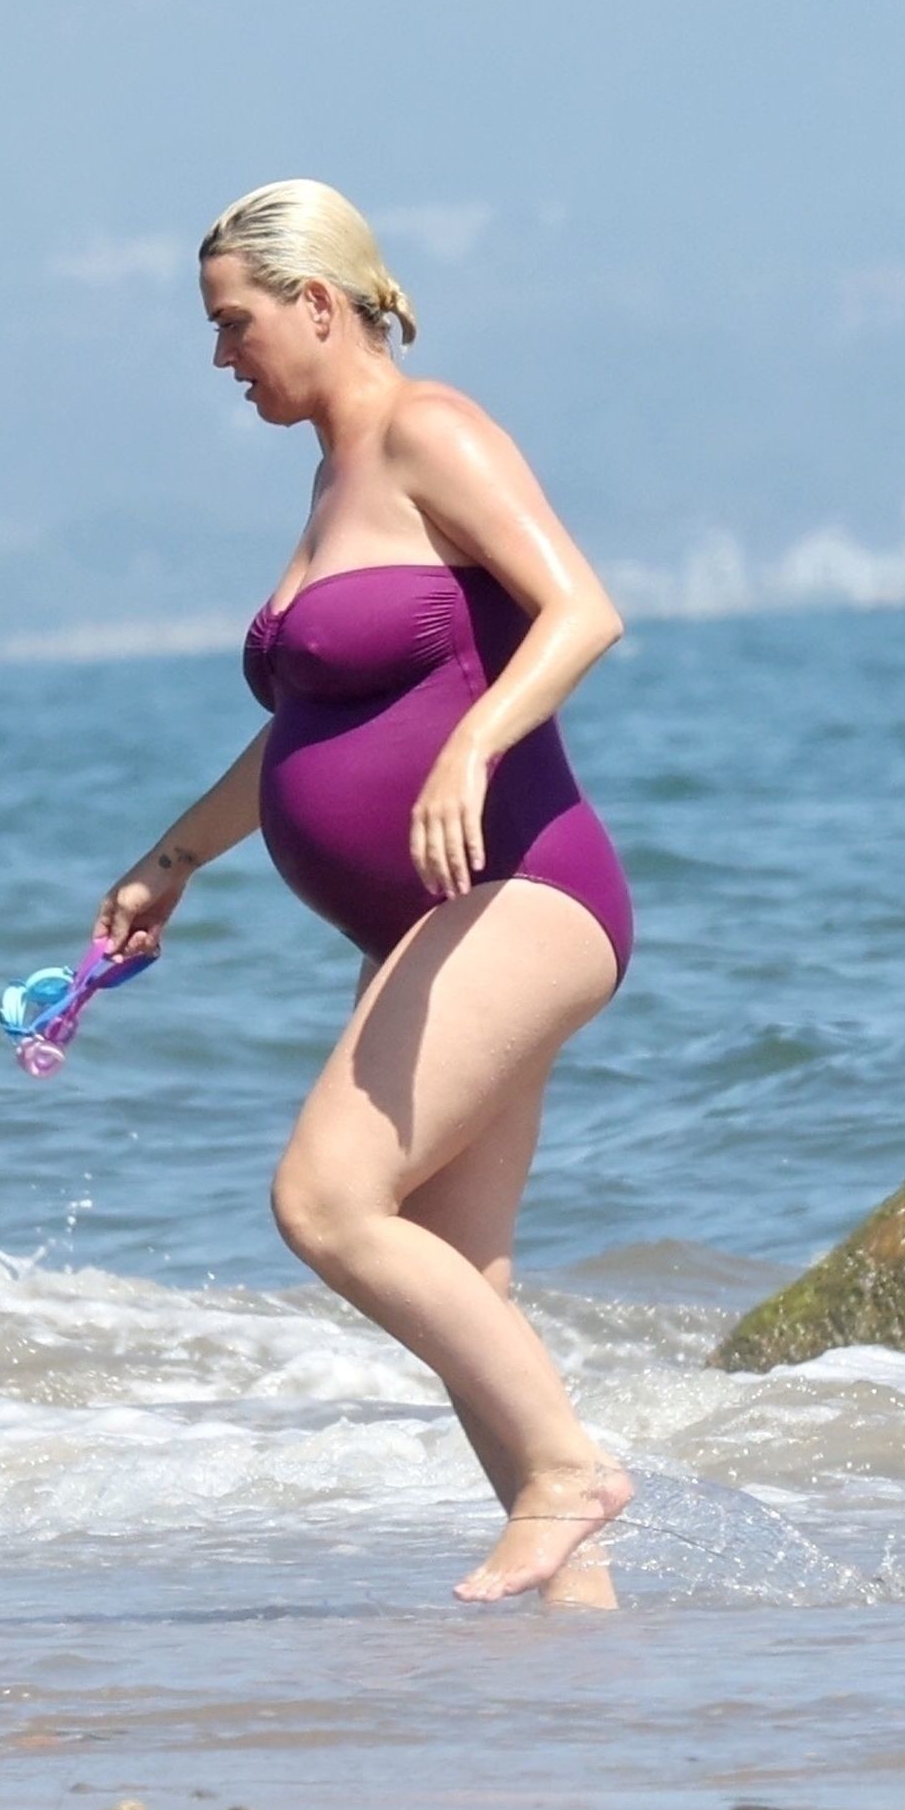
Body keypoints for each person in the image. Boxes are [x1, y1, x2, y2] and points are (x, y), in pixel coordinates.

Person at [94, 179, 635, 1608]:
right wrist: (172, 860)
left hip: (522, 889)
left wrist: (472, 744)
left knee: (325, 1201)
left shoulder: (428, 429)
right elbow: (312, 725)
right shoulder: (332, 479)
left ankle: (572, 1473)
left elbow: (581, 610)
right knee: (464, 1277)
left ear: (318, 304)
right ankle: (584, 1642)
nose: (223, 357)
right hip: (419, 925)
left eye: (235, 323)